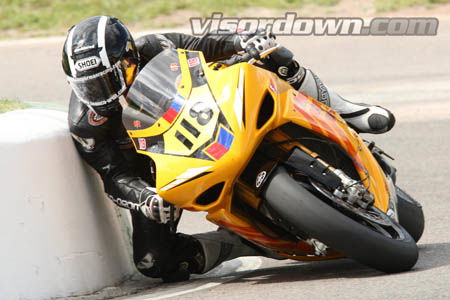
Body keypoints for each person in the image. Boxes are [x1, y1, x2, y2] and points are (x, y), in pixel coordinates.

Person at [62, 16, 395, 282]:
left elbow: (208, 43)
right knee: (154, 262)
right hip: (159, 170)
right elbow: (114, 176)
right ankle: (240, 243)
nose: (98, 94)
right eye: (87, 86)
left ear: (129, 58)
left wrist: (245, 40)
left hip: (206, 113)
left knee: (269, 55)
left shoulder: (154, 47)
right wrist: (144, 198)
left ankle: (347, 110)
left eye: (105, 80)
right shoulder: (85, 124)